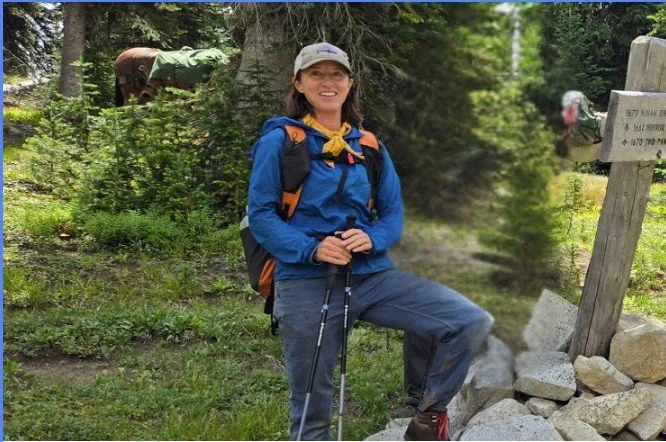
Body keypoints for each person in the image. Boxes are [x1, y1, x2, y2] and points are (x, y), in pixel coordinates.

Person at [247, 42, 493, 441]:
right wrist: (311, 248)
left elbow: (393, 214)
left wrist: (372, 237)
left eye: (336, 74)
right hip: (305, 278)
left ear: (350, 83)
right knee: (312, 400)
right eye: (316, 74)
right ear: (299, 83)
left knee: (468, 321)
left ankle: (427, 418)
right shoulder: (282, 140)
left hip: (370, 274)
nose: (328, 83)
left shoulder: (369, 146)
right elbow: (260, 215)